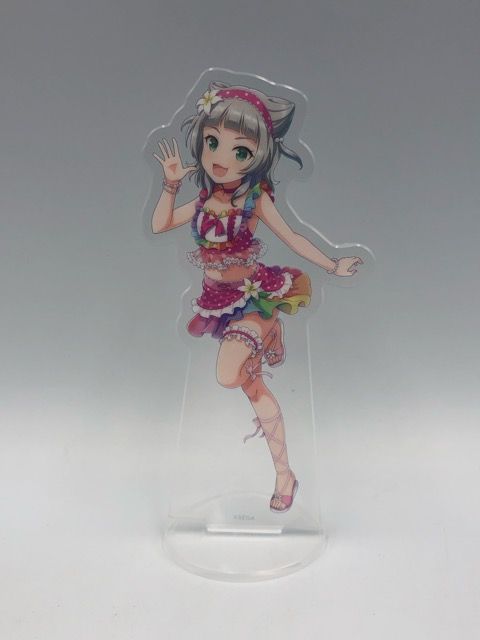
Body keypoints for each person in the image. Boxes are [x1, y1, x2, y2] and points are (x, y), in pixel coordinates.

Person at [151, 81, 363, 513]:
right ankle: (285, 475)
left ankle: (269, 327)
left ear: (259, 156)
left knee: (229, 376)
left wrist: (332, 264)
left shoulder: (255, 198)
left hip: (252, 299)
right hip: (217, 303)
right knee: (250, 385)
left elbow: (293, 236)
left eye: (240, 151)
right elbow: (160, 225)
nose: (221, 159)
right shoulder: (205, 199)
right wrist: (170, 186)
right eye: (213, 142)